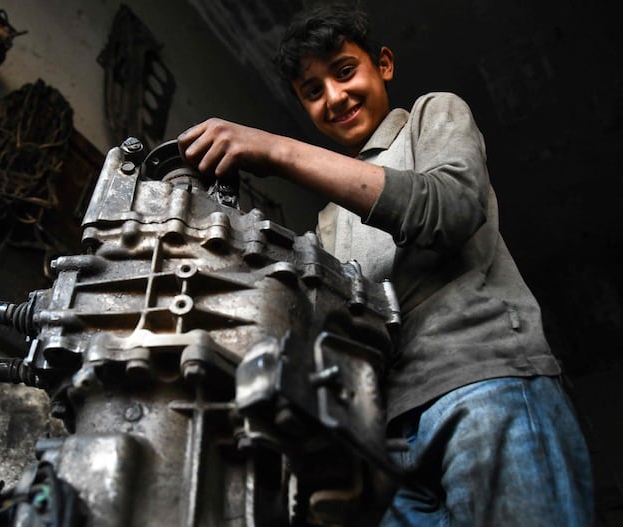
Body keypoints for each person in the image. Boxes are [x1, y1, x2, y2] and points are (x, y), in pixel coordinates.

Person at [177, 2, 594, 526]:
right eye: (312, 91)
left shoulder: (432, 115)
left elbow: (448, 208)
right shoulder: (327, 222)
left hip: (485, 387)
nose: (334, 97)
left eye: (345, 71)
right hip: (385, 443)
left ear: (385, 65)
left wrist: (278, 151)